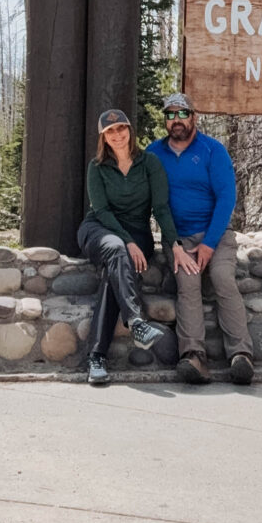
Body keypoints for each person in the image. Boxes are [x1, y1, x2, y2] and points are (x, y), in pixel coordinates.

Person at [77, 108, 199, 386]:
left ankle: (96, 358)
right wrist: (128, 242)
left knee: (113, 276)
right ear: (104, 138)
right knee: (117, 249)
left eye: (121, 128)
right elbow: (102, 210)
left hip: (137, 235)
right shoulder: (96, 167)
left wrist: (176, 245)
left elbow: (161, 208)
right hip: (99, 230)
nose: (117, 135)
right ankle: (135, 322)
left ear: (130, 131)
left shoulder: (150, 163)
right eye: (110, 131)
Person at [148, 93, 254, 386]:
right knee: (187, 284)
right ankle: (194, 356)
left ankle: (241, 355)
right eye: (170, 115)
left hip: (215, 234)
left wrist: (208, 244)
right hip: (178, 239)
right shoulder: (154, 153)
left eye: (182, 114)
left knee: (222, 278)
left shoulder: (212, 150)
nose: (176, 121)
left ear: (194, 117)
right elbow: (157, 204)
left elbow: (226, 198)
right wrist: (174, 245)